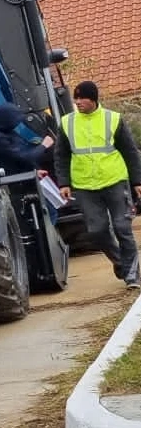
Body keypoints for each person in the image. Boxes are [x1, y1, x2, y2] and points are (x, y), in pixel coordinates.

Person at [55, 80, 141, 288]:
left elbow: (130, 152)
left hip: (115, 181)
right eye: (75, 98)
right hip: (85, 186)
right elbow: (61, 155)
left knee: (122, 227)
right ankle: (121, 262)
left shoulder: (113, 119)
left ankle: (132, 276)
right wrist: (64, 183)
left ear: (93, 99)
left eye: (82, 98)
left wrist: (138, 181)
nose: (77, 102)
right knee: (97, 230)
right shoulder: (67, 123)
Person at [0, 101, 55, 178]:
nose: (17, 124)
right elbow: (24, 157)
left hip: (26, 173)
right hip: (15, 180)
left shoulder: (8, 128)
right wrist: (43, 146)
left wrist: (34, 170)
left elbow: (28, 146)